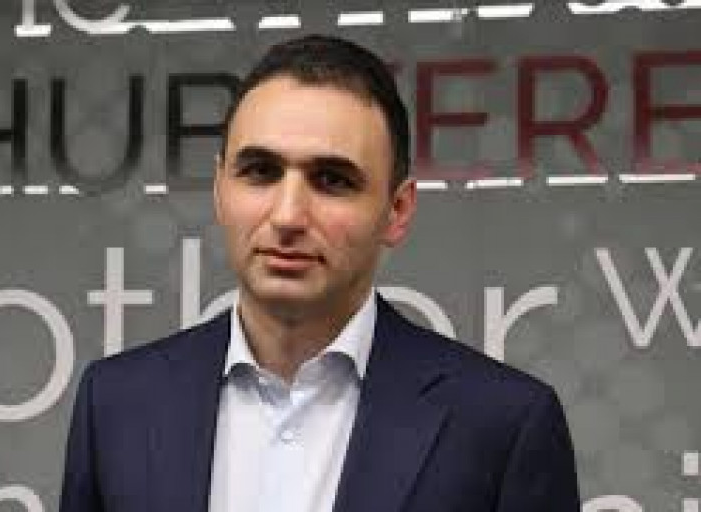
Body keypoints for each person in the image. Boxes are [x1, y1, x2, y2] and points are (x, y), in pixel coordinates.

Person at [59, 34, 580, 512]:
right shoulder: (116, 404)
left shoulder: (503, 425)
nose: (288, 215)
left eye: (332, 180)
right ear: (220, 189)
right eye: (260, 172)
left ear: (397, 210)